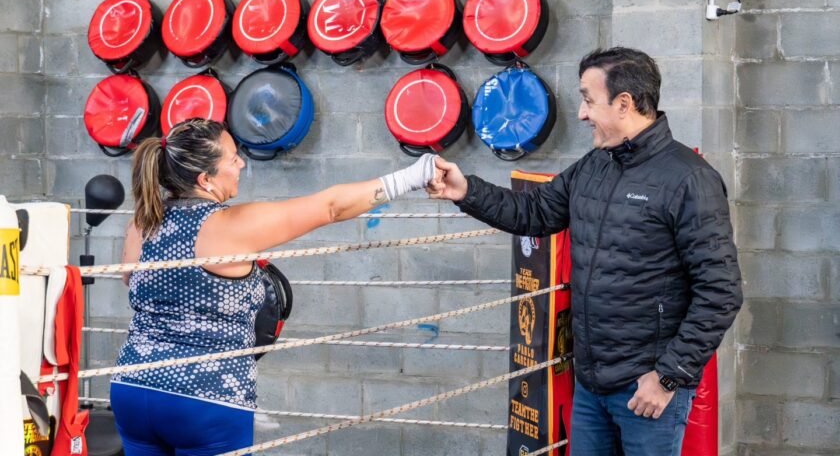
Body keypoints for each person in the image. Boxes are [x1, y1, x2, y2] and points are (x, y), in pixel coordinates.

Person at [428, 47, 742, 456]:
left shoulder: (690, 179)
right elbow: (534, 211)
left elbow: (721, 292)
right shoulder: (595, 165)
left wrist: (668, 377)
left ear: (624, 103)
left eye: (589, 100)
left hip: (647, 390)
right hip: (592, 386)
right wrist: (465, 190)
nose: (581, 113)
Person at [112, 119, 439, 455]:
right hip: (204, 397)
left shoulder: (142, 222)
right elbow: (330, 207)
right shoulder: (227, 226)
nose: (241, 164)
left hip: (132, 386)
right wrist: (414, 176)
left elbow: (130, 279)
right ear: (205, 179)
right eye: (232, 158)